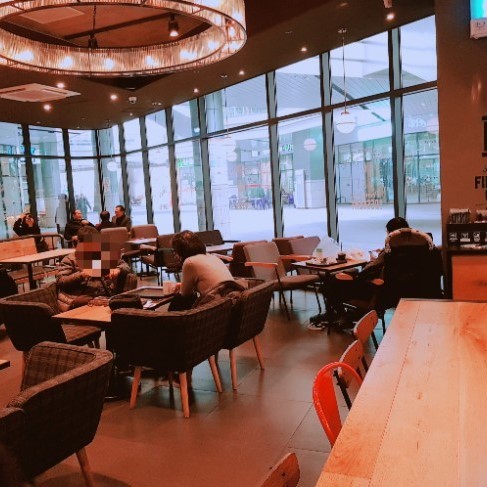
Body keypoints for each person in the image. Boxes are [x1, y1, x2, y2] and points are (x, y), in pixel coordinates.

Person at [309, 217, 411, 331]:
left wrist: (370, 263)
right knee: (334, 282)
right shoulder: (410, 250)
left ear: (391, 233)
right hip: (389, 293)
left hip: (375, 290)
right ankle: (341, 315)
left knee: (328, 286)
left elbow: (370, 268)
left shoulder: (390, 250)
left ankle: (341, 316)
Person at [56, 225, 133, 311]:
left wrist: (118, 269)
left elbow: (125, 266)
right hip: (79, 300)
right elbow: (60, 281)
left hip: (103, 298)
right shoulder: (70, 259)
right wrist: (82, 274)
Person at [169, 230, 245, 310]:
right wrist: (182, 285)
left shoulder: (189, 262)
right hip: (231, 300)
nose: (175, 255)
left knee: (178, 300)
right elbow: (211, 281)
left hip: (217, 306)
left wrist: (181, 289)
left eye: (175, 251)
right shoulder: (213, 257)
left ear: (181, 251)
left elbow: (185, 294)